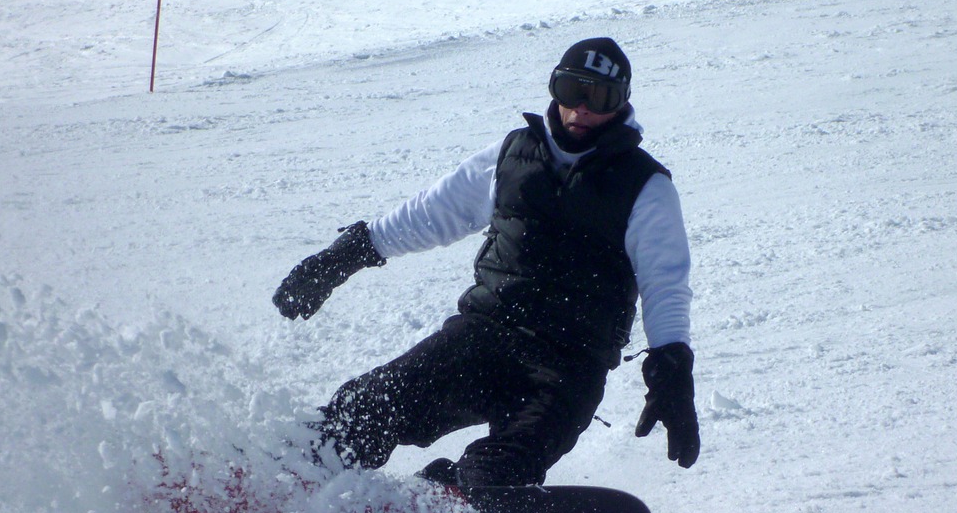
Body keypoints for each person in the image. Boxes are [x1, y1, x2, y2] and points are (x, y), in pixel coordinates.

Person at [272, 37, 698, 489]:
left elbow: (665, 284)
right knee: (369, 404)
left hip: (566, 370)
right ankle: (284, 476)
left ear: (622, 103)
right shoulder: (512, 155)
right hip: (485, 337)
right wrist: (346, 256)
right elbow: (431, 214)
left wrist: (671, 370)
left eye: (600, 97)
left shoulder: (646, 187)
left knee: (498, 475)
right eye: (571, 89)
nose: (580, 110)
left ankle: (452, 496)